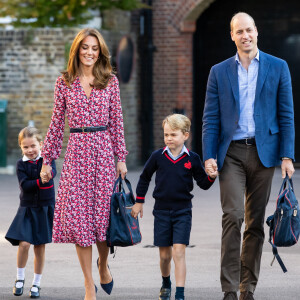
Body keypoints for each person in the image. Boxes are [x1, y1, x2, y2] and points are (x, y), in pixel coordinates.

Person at [202, 12, 295, 300]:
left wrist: (287, 156)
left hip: (264, 153)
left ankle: (247, 287)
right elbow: (210, 119)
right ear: (232, 36)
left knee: (254, 222)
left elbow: (287, 115)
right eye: (239, 31)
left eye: (249, 30)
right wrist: (208, 156)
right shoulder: (219, 71)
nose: (246, 35)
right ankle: (229, 287)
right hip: (230, 153)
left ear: (257, 32)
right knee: (232, 216)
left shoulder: (278, 67)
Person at [40, 28, 128, 300]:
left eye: (94, 48)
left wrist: (120, 157)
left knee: (102, 220)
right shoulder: (64, 82)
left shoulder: (110, 81)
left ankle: (103, 264)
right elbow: (56, 124)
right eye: (85, 47)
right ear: (76, 50)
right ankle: (88, 284)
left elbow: (117, 121)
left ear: (100, 52)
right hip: (76, 154)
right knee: (80, 222)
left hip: (102, 152)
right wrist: (47, 160)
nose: (89, 52)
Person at [131, 114, 217, 300]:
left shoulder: (192, 159)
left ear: (185, 135)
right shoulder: (157, 157)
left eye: (173, 134)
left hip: (183, 212)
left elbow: (203, 183)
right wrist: (139, 201)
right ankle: (165, 282)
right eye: (166, 134)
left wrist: (212, 176)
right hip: (161, 212)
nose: (169, 138)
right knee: (164, 256)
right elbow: (144, 177)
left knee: (179, 251)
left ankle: (180, 294)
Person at [5, 126, 57, 298]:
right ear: (21, 147)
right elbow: (25, 186)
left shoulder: (48, 161)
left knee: (40, 246)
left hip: (44, 208)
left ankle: (37, 283)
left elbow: (52, 175)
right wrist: (39, 181)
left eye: (33, 146)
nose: (30, 150)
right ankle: (20, 278)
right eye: (25, 147)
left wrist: (46, 174)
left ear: (40, 144)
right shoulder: (21, 164)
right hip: (27, 208)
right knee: (24, 244)